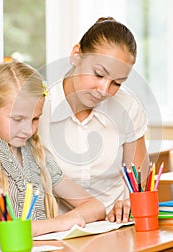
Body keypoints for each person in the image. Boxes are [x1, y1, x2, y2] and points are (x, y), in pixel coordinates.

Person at [0, 61, 106, 248]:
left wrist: (70, 218)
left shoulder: (39, 159)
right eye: (18, 119)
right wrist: (56, 224)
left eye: (35, 119)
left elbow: (96, 207)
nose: (28, 129)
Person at [38, 17, 149, 223]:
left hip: (116, 227)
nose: (105, 90)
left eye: (117, 83)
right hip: (59, 231)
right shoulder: (39, 108)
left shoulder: (128, 107)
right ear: (76, 55)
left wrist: (131, 202)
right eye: (98, 74)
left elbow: (138, 185)